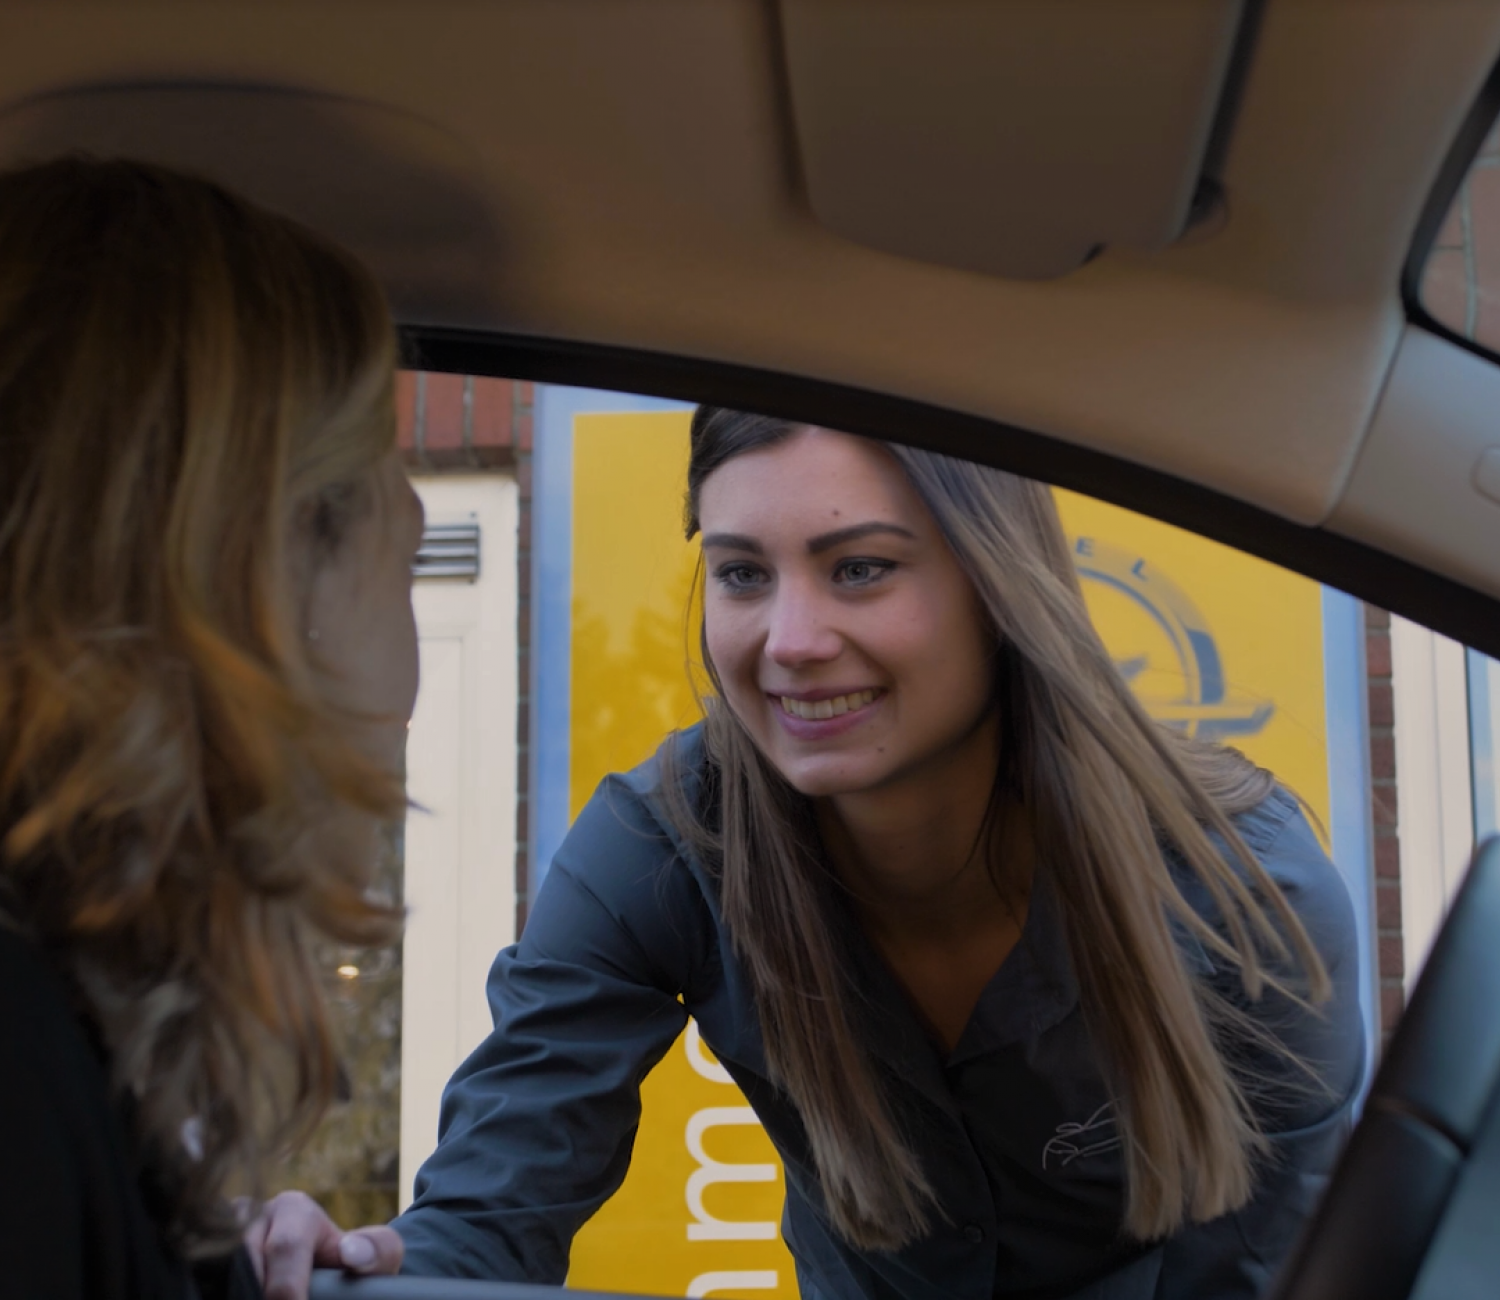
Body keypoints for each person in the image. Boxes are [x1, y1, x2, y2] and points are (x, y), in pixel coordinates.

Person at [257, 408, 1364, 1300]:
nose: (789, 642)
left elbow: (1269, 1271)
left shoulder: (1240, 886)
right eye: (743, 574)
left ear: (997, 588)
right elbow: (490, 1217)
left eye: (861, 568)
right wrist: (348, 1268)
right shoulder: (664, 845)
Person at [0, 157, 424, 1299]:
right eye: (405, 548)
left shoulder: (75, 1053)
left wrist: (213, 1249)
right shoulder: (23, 1084)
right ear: (266, 594)